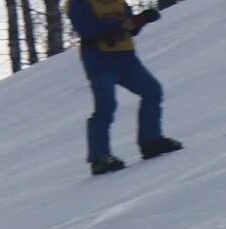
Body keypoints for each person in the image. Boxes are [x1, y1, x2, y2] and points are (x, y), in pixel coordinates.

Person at [69, 0, 181, 177]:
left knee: (152, 91)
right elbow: (86, 29)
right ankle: (99, 158)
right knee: (106, 107)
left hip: (126, 58)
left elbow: (129, 27)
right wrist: (119, 24)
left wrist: (140, 20)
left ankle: (151, 141)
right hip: (100, 61)